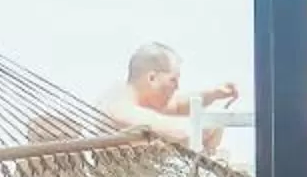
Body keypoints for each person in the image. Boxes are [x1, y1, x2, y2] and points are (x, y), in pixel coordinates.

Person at [101, 42, 238, 152]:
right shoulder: (119, 107)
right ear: (152, 78)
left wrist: (213, 94)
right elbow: (183, 133)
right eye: (173, 80)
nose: (177, 87)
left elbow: (177, 104)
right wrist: (212, 120)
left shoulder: (137, 97)